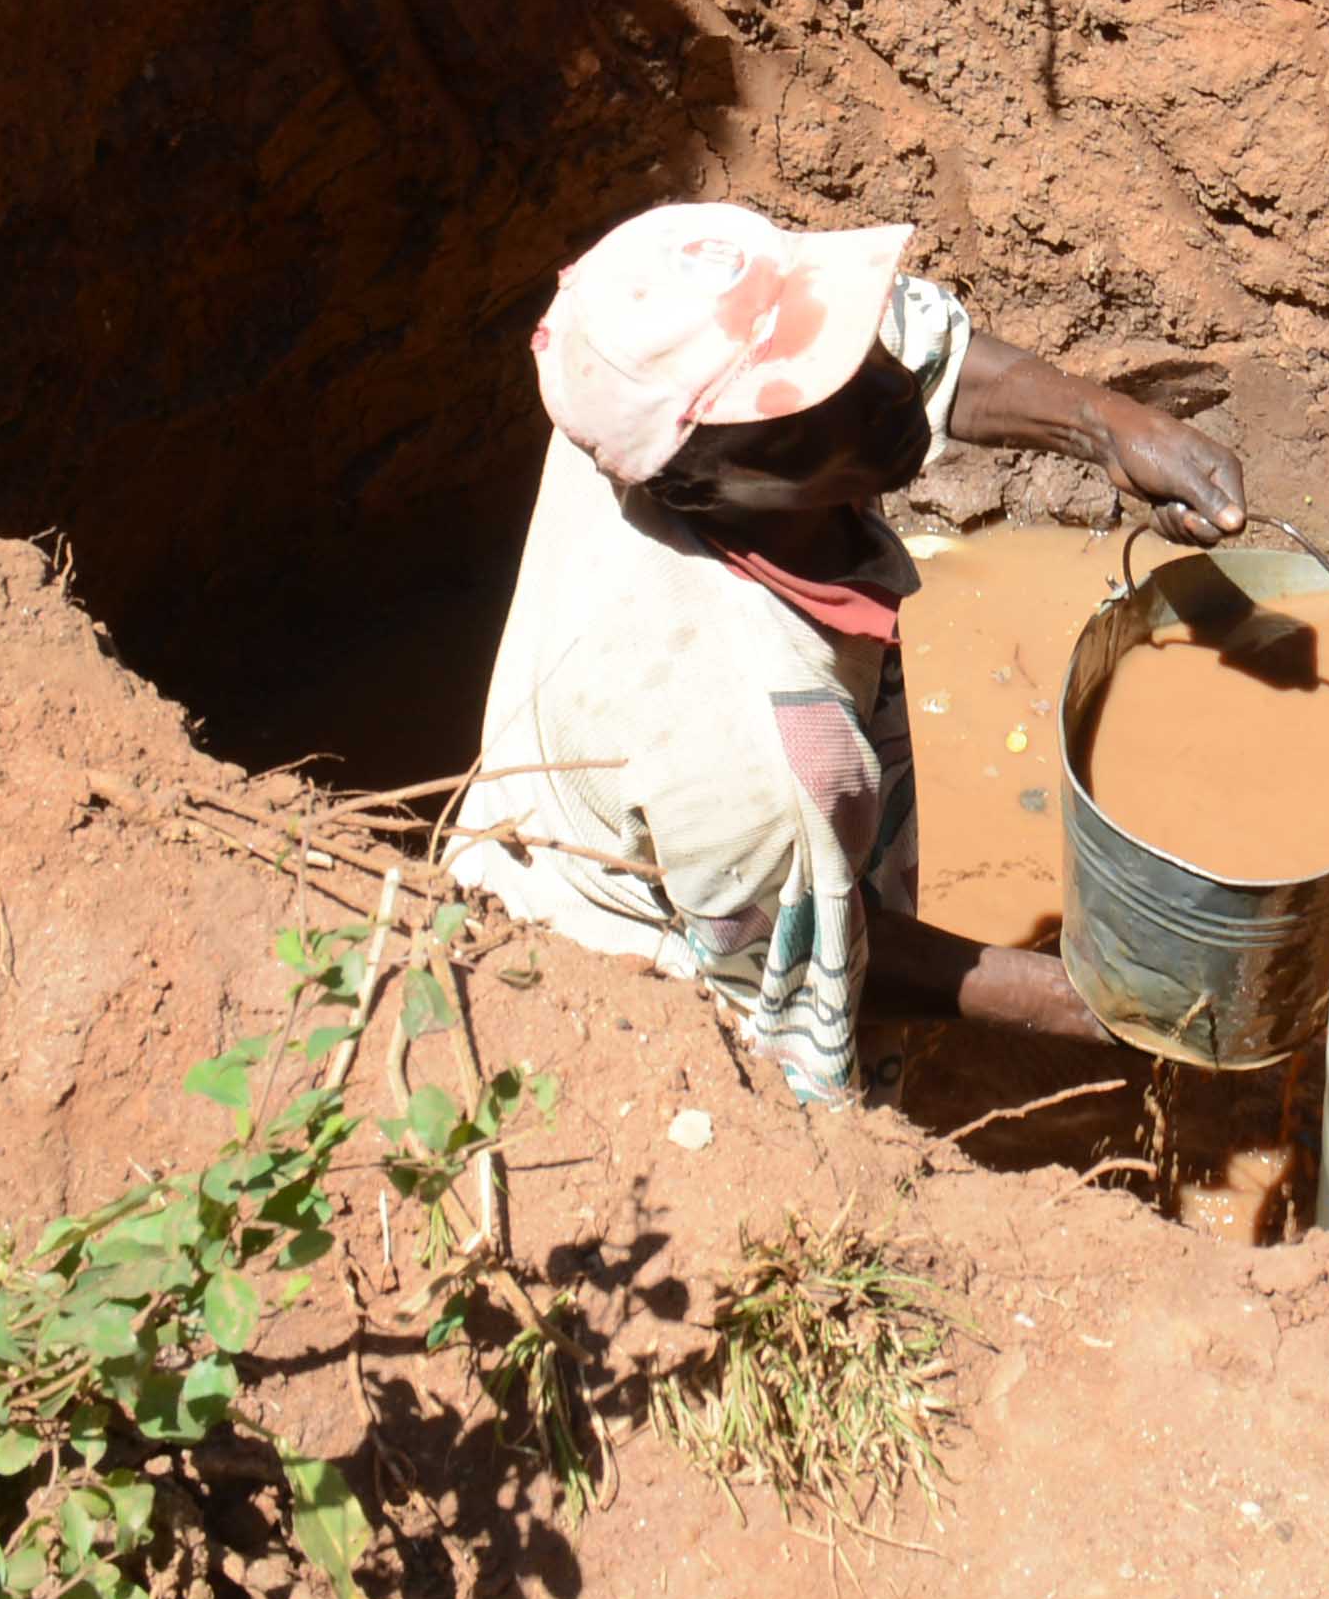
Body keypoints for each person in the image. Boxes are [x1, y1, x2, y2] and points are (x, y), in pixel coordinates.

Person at [450, 200, 1246, 1102]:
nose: (891, 390)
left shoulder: (641, 378)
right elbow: (824, 967)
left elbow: (913, 350)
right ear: (701, 486)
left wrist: (1113, 428)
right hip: (634, 979)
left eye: (852, 351)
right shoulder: (753, 749)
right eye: (809, 408)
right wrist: (1099, 1008)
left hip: (658, 821)